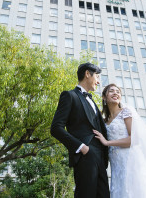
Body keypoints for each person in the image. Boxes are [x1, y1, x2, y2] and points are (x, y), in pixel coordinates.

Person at [50, 62, 110, 198]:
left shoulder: (93, 102)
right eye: (97, 77)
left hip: (101, 157)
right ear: (87, 74)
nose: (99, 82)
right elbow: (56, 128)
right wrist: (81, 147)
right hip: (85, 154)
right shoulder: (69, 96)